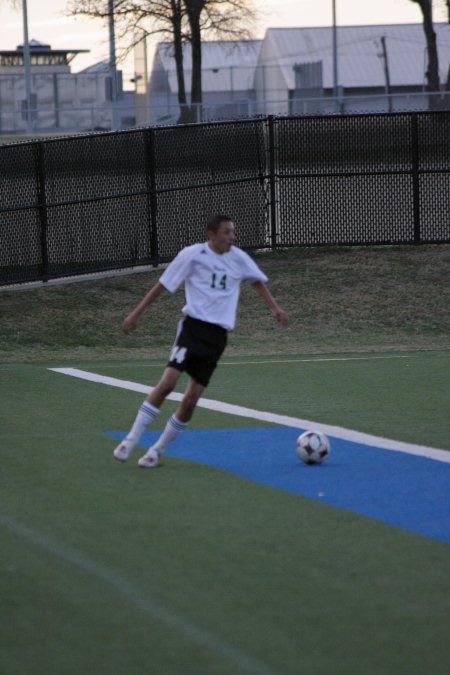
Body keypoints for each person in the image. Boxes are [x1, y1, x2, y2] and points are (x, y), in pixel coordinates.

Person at [113, 214, 289, 468]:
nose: (232, 237)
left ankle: (157, 450)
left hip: (217, 338)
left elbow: (256, 281)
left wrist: (276, 309)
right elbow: (163, 284)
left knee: (191, 399)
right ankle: (131, 439)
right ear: (212, 235)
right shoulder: (192, 254)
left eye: (233, 232)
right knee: (167, 384)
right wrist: (136, 313)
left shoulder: (238, 258)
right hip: (192, 329)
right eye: (227, 232)